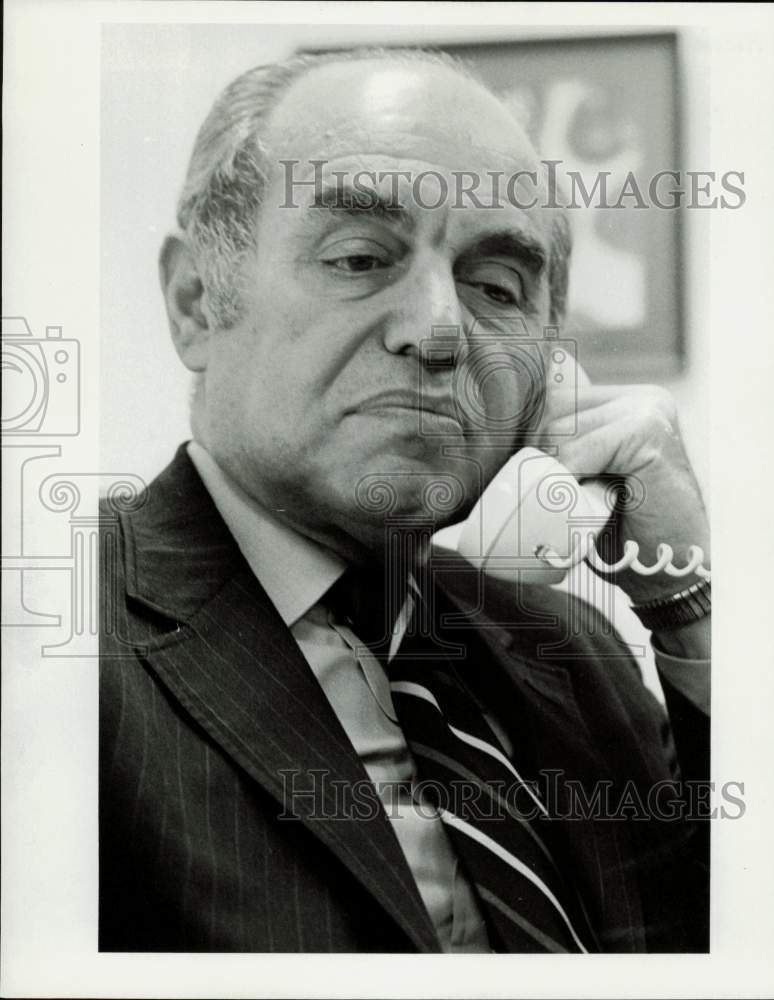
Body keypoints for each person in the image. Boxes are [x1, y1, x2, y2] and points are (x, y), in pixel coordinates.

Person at [99, 47, 710, 954]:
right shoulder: (54, 646)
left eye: (496, 287)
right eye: (357, 258)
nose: (438, 328)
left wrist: (686, 607)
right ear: (195, 301)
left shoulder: (572, 651)